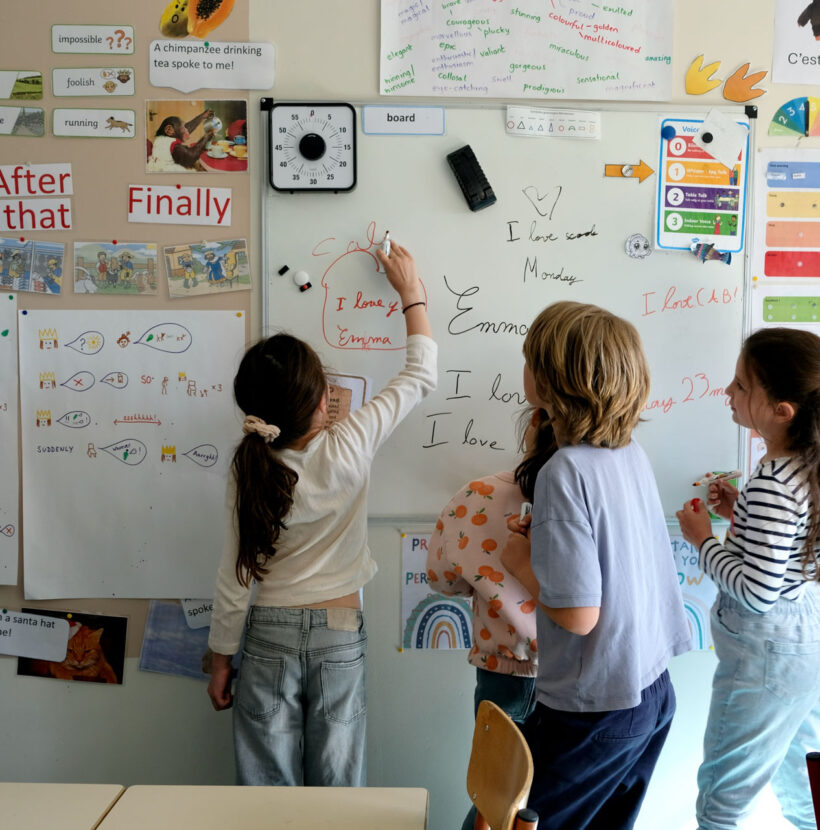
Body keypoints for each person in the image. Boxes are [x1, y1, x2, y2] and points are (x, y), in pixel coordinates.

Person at [206, 243, 435, 787]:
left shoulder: (249, 466)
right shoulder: (351, 442)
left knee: (267, 792)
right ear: (320, 404)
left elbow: (236, 576)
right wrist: (411, 293)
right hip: (338, 631)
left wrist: (220, 658)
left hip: (266, 636)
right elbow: (421, 373)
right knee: (337, 795)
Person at [503, 300, 692, 829]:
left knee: (499, 819)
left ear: (551, 380)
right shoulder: (629, 452)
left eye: (528, 360)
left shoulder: (563, 472)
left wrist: (522, 560)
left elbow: (579, 614)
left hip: (595, 705)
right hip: (651, 690)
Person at [676, 327, 820, 830]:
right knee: (803, 784)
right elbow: (786, 556)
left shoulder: (775, 481)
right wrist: (743, 517)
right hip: (799, 640)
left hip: (766, 653)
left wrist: (702, 539)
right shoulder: (805, 466)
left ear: (782, 411)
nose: (728, 394)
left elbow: (757, 594)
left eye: (740, 386)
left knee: (722, 799)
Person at [427, 406, 556, 830]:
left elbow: (441, 579)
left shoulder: (476, 495)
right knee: (549, 799)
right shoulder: (585, 496)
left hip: (502, 670)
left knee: (493, 798)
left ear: (533, 423)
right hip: (571, 674)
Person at [147, 108, 214, 172]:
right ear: (169, 130)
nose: (186, 130)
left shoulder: (161, 138)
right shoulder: (175, 147)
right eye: (183, 127)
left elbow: (187, 127)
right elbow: (190, 157)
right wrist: (206, 137)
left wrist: (202, 116)